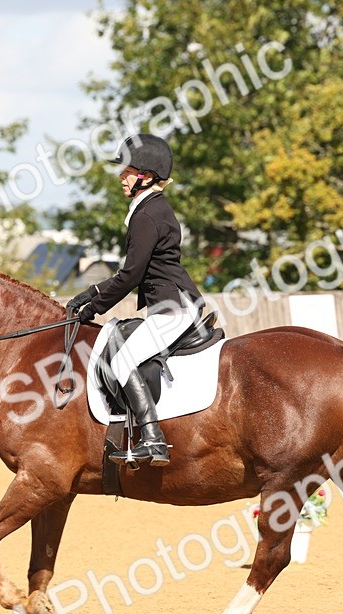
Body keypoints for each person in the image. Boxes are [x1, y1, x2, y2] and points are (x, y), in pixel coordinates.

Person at [66, 133, 204, 467]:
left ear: (145, 174)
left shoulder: (147, 215)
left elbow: (130, 276)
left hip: (172, 308)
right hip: (174, 303)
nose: (120, 176)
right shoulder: (152, 209)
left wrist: (93, 303)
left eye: (127, 171)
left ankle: (154, 439)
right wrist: (93, 294)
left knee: (122, 361)